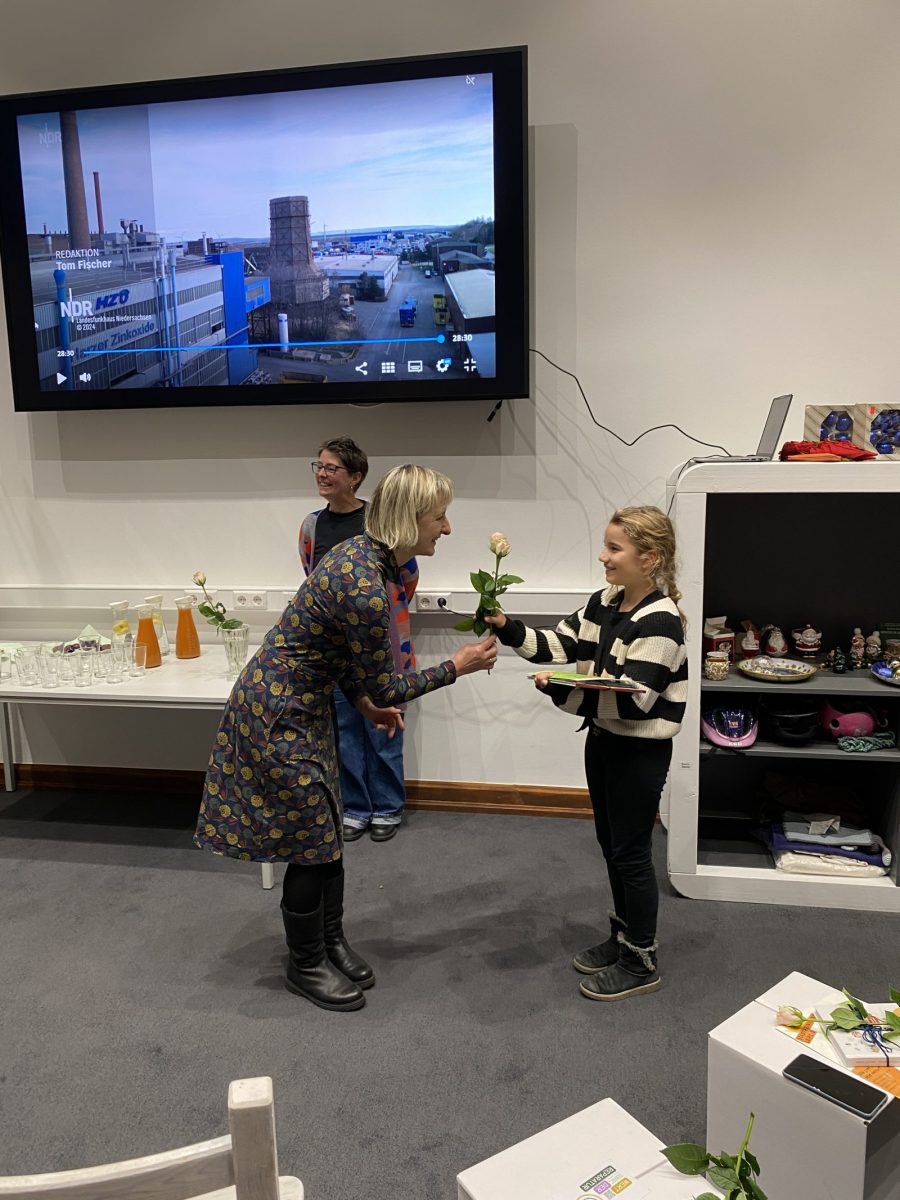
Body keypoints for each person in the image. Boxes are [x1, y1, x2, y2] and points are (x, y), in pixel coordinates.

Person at [195, 465, 497, 1012]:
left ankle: (329, 940)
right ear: (410, 520)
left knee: (327, 830)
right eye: (439, 517)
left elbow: (342, 655)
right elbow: (386, 684)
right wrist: (457, 666)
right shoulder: (364, 584)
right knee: (309, 843)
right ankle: (305, 962)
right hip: (277, 714)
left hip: (297, 703)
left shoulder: (363, 556)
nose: (447, 528)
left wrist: (361, 702)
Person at [485, 506, 687, 1002]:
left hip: (638, 753)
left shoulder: (662, 621)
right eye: (606, 546)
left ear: (649, 558)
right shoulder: (604, 601)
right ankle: (624, 938)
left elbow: (632, 701)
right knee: (610, 844)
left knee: (632, 853)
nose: (603, 557)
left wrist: (557, 689)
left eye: (615, 548)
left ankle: (642, 960)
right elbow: (559, 644)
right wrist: (507, 626)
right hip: (602, 742)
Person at [299, 436, 415, 843]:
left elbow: (406, 577)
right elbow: (312, 576)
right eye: (319, 466)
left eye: (331, 468)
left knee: (384, 725)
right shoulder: (312, 525)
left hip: (380, 645)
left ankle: (387, 807)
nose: (322, 474)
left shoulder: (378, 524)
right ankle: (355, 808)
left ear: (355, 477)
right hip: (334, 648)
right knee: (345, 731)